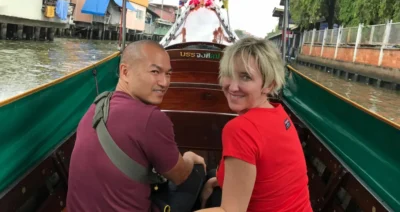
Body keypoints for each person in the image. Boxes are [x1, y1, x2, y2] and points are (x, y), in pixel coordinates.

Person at [66, 40, 206, 211]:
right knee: (197, 171)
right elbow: (181, 176)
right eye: (155, 71)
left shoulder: (97, 105)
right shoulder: (151, 118)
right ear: (125, 72)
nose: (164, 82)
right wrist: (189, 158)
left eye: (168, 74)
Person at [198, 37, 312, 212]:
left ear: (269, 85)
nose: (233, 86)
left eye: (245, 77)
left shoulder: (240, 129)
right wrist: (217, 181)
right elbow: (265, 177)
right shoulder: (279, 114)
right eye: (229, 74)